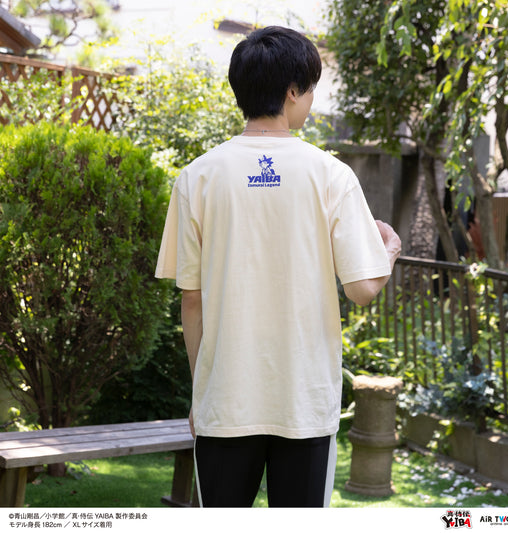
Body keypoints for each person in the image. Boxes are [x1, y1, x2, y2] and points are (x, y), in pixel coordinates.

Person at [155, 25, 401, 508]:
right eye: (310, 89)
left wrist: (201, 394)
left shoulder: (197, 177)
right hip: (304, 403)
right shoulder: (331, 175)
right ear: (292, 91)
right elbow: (362, 289)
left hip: (225, 404)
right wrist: (388, 250)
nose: (310, 99)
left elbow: (192, 300)